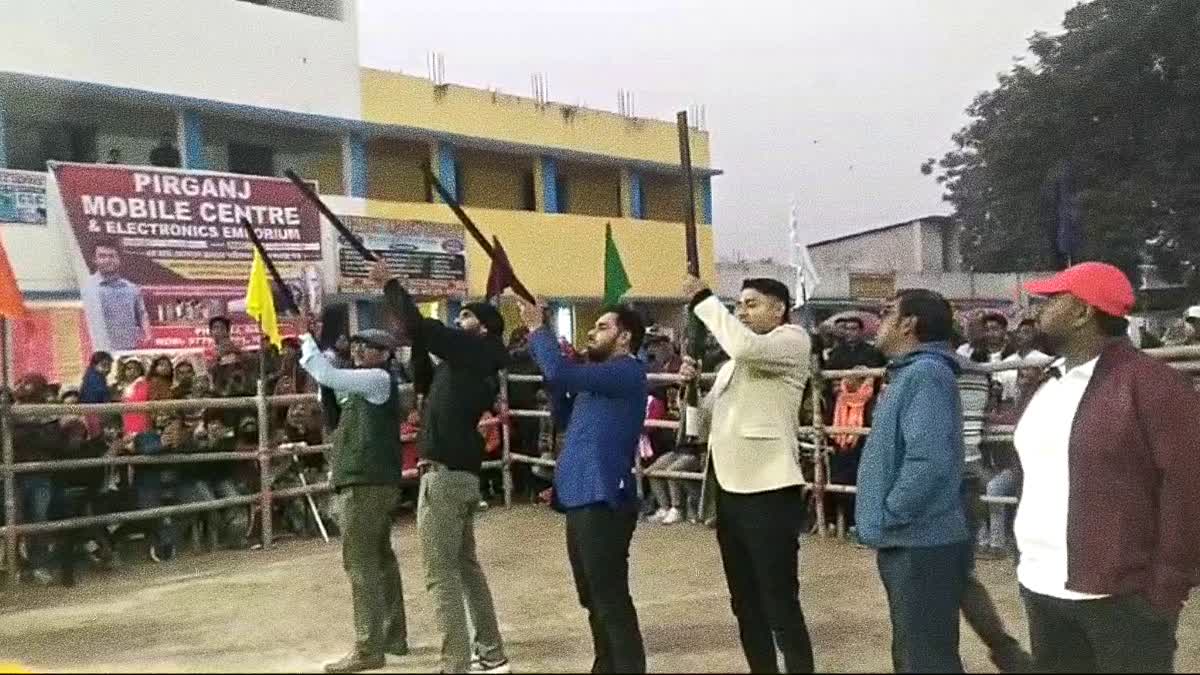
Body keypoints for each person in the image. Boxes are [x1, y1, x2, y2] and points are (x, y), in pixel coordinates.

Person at [1014, 262, 1200, 672]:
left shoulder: (1154, 386)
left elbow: (1188, 491)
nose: (1038, 309)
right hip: (1041, 587)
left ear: (1083, 312)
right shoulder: (1047, 382)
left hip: (1122, 598)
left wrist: (1164, 592)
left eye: (1052, 299)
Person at [371, 261, 510, 675]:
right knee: (465, 567)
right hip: (458, 475)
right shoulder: (468, 362)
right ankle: (490, 651)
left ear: (483, 328)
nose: (459, 319)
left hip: (446, 476)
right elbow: (421, 361)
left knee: (441, 574)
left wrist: (391, 285)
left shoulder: (472, 351)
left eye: (467, 315)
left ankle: (455, 664)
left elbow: (421, 327)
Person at [678, 275, 815, 674]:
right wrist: (690, 390)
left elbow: (742, 343)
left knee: (780, 601)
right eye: (738, 305)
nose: (742, 311)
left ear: (779, 309)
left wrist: (703, 299)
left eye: (752, 304)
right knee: (744, 601)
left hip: (769, 489)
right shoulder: (731, 367)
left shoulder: (792, 341)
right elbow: (700, 427)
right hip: (729, 489)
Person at [520, 298, 649, 674]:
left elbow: (561, 373)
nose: (592, 333)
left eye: (603, 327)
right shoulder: (598, 378)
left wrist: (537, 330)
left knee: (609, 598)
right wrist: (554, 373)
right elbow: (561, 406)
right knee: (592, 596)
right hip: (580, 495)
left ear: (625, 338)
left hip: (603, 495)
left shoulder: (626, 371)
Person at [855, 289, 971, 673]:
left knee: (925, 659)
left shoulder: (925, 375)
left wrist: (890, 513)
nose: (880, 322)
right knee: (915, 651)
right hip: (912, 538)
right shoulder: (913, 374)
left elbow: (928, 461)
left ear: (909, 324)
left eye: (888, 313)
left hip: (919, 540)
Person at [298, 317, 409, 674]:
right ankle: (392, 636)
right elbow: (329, 386)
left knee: (360, 565)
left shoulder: (376, 380)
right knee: (380, 561)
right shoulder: (371, 383)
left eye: (367, 347)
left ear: (384, 354)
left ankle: (368, 647)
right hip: (372, 480)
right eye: (358, 346)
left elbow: (328, 376)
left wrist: (307, 339)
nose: (358, 351)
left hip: (364, 482)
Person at [80, 239, 151, 351]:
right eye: (102, 256)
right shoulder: (85, 289)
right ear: (94, 260)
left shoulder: (132, 289)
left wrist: (147, 334)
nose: (108, 260)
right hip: (97, 352)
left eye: (112, 256)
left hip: (128, 353)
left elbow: (142, 315)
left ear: (119, 259)